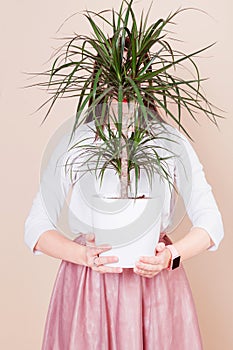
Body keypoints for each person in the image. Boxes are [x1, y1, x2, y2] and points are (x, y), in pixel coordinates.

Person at [24, 108, 224, 349]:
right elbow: (35, 227)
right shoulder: (77, 140)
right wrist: (84, 256)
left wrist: (171, 256)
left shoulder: (168, 141)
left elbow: (211, 223)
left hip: (155, 284)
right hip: (90, 287)